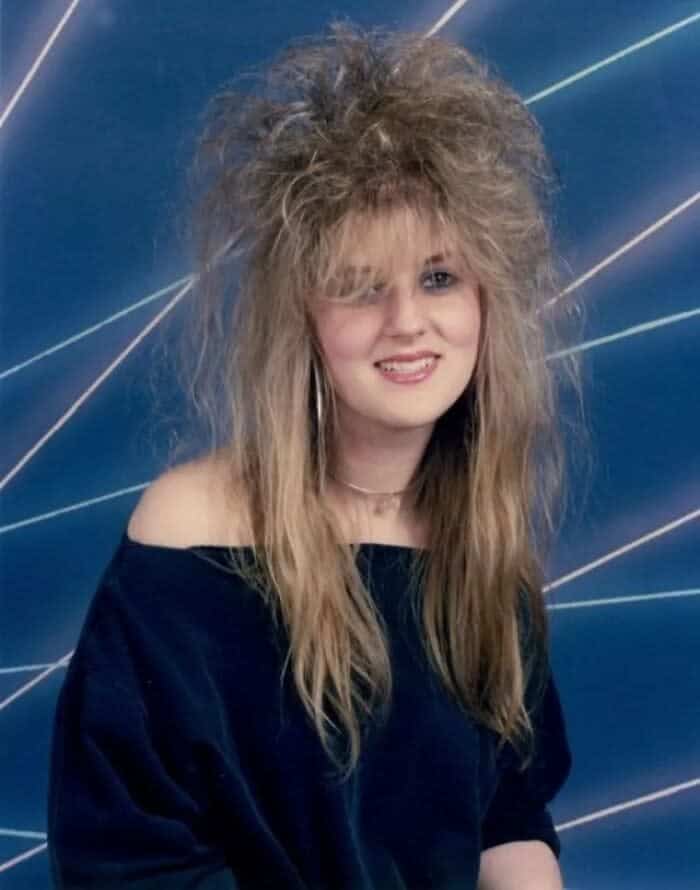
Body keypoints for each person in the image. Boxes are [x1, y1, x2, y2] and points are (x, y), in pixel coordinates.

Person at [47, 21, 580, 890]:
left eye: (439, 277)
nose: (407, 320)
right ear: (304, 318)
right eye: (361, 285)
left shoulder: (484, 546)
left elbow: (506, 819)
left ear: (487, 299)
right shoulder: (192, 530)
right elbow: (125, 858)